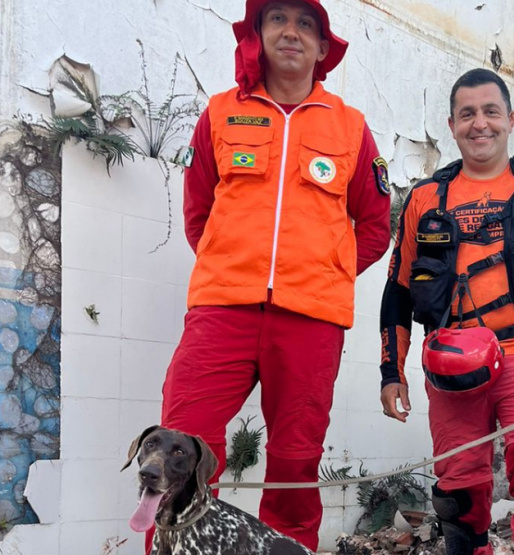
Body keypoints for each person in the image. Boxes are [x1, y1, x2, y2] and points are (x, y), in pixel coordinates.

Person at [153, 0, 390, 550]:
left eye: (306, 23)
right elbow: (198, 213)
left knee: (294, 462)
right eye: (278, 18)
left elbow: (376, 227)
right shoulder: (219, 113)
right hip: (221, 312)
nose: (291, 32)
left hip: (311, 321)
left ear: (323, 47)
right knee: (180, 449)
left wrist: (323, 274)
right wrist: (230, 267)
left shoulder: (351, 128)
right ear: (257, 34)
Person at [378, 68, 514, 555]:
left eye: (490, 112)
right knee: (457, 492)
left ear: (511, 119)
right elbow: (397, 293)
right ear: (452, 125)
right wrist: (390, 372)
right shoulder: (424, 199)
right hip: (449, 362)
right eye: (467, 114)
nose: (480, 123)